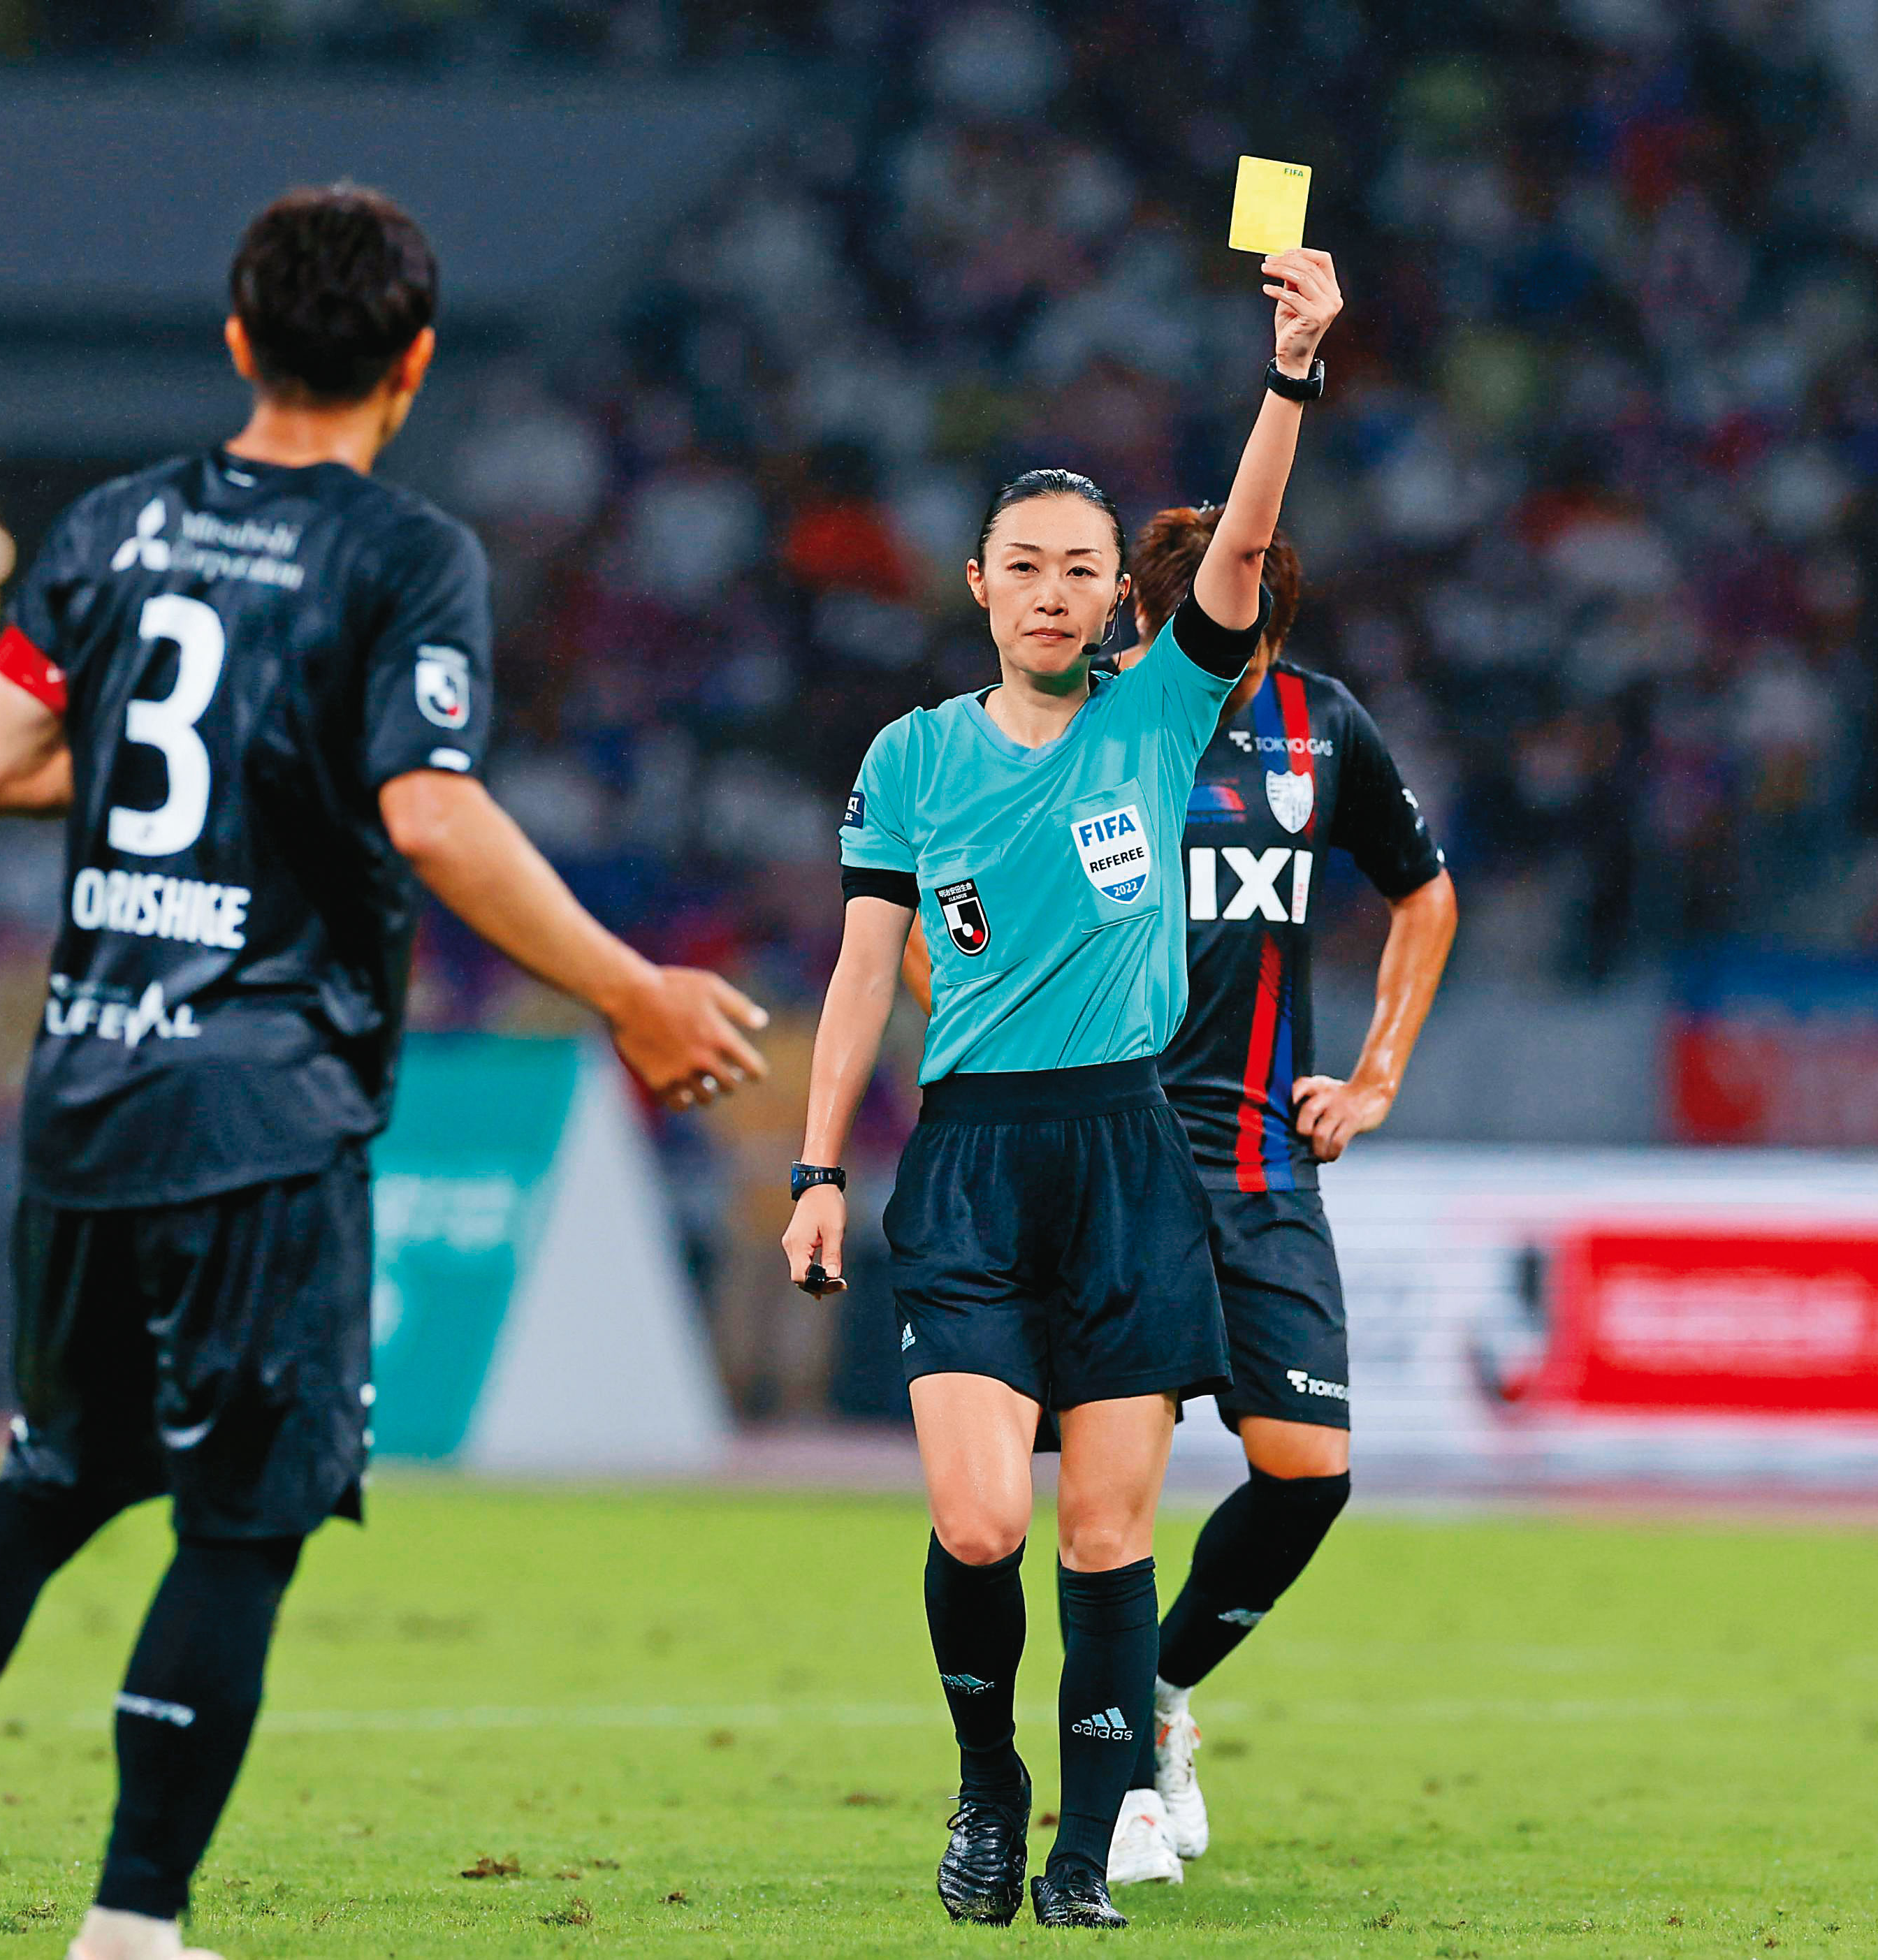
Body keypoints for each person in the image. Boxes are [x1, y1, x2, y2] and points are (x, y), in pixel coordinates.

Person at [0, 184, 768, 1960]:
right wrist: (632, 989)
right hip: (261, 1100)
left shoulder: (112, 524)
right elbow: (432, 812)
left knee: (53, 1473)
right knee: (244, 1521)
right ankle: (131, 1927)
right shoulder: (404, 554)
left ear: (241, 337)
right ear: (415, 362)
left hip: (91, 1079)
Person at [782, 248, 1343, 1928]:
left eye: (1080, 570)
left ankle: (1083, 1853)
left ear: (1117, 601)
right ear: (976, 583)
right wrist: (818, 1169)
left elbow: (1240, 545)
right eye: (1021, 565)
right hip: (970, 1163)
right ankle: (988, 1781)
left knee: (1105, 1535)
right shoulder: (911, 756)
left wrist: (1291, 372)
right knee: (977, 1521)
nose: (1049, 592)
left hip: (1125, 1159)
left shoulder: (1160, 714)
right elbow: (863, 973)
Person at [900, 509, 1456, 1883]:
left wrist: (1376, 1075)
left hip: (1261, 1157)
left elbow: (1423, 894)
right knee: (1089, 1501)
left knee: (1308, 1467)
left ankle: (1158, 1686)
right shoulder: (1082, 723)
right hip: (1110, 1151)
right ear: (1140, 621)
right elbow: (924, 910)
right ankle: (1101, 1795)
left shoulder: (1322, 728)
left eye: (1250, 634)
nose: (1219, 659)